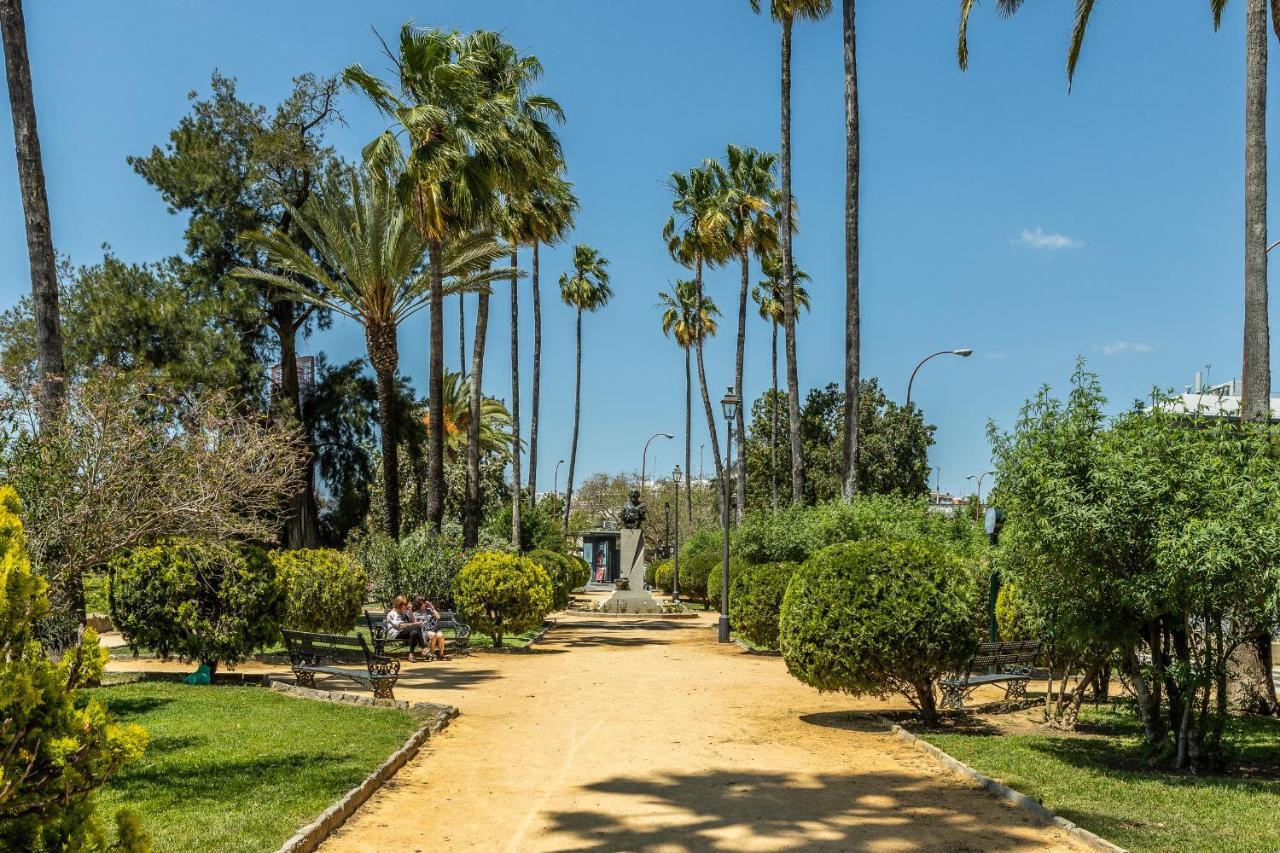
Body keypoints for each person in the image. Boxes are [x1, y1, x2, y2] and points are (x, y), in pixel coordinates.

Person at [386, 595, 425, 662]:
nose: (406, 605)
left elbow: (413, 622)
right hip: (397, 634)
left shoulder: (405, 612)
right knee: (416, 627)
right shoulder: (392, 614)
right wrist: (414, 624)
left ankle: (411, 655)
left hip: (406, 632)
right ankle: (424, 648)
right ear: (398, 604)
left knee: (414, 633)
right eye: (404, 604)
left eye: (406, 604)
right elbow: (401, 625)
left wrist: (410, 611)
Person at [414, 596, 448, 661]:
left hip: (435, 628)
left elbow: (438, 617)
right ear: (419, 603)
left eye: (424, 602)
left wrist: (431, 606)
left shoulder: (429, 610)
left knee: (441, 636)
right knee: (433, 635)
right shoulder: (415, 613)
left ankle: (441, 654)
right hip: (425, 630)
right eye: (423, 602)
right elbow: (416, 624)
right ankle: (431, 654)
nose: (425, 603)